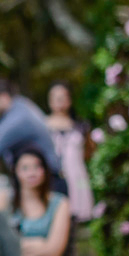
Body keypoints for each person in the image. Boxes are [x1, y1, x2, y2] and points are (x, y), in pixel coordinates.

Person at [0, 77, 62, 183]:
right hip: (41, 179)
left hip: (47, 183)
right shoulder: (18, 107)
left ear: (3, 97)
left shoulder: (19, 119)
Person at [13, 147, 71, 256]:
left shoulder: (59, 203)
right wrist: (39, 243)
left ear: (45, 170)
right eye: (25, 168)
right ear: (16, 172)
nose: (31, 172)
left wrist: (20, 247)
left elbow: (54, 252)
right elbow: (2, 247)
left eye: (37, 167)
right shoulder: (8, 204)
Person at [46, 82, 95, 222]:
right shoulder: (43, 126)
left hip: (77, 177)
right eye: (56, 97)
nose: (60, 101)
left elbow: (90, 152)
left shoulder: (81, 126)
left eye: (63, 97)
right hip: (53, 177)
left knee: (76, 213)